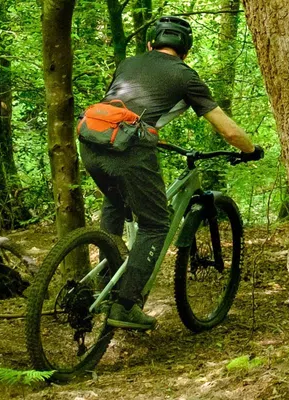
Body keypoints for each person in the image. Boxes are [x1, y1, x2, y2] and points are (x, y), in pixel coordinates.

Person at [81, 16, 263, 330]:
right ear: (186, 51)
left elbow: (127, 106)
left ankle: (106, 284)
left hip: (92, 141)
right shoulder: (184, 75)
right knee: (156, 224)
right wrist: (250, 150)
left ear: (150, 43)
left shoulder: (128, 63)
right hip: (130, 152)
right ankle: (124, 306)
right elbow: (227, 130)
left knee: (115, 204)